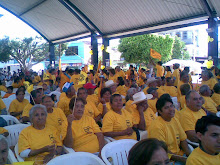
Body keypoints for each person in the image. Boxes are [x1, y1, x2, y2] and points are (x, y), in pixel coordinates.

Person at [148, 97, 191, 164]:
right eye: (166, 108)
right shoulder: (157, 126)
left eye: (171, 106)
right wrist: (184, 160)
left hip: (180, 156)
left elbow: (183, 139)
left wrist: (190, 156)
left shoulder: (174, 119)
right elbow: (162, 151)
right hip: (167, 160)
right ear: (159, 111)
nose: (171, 109)